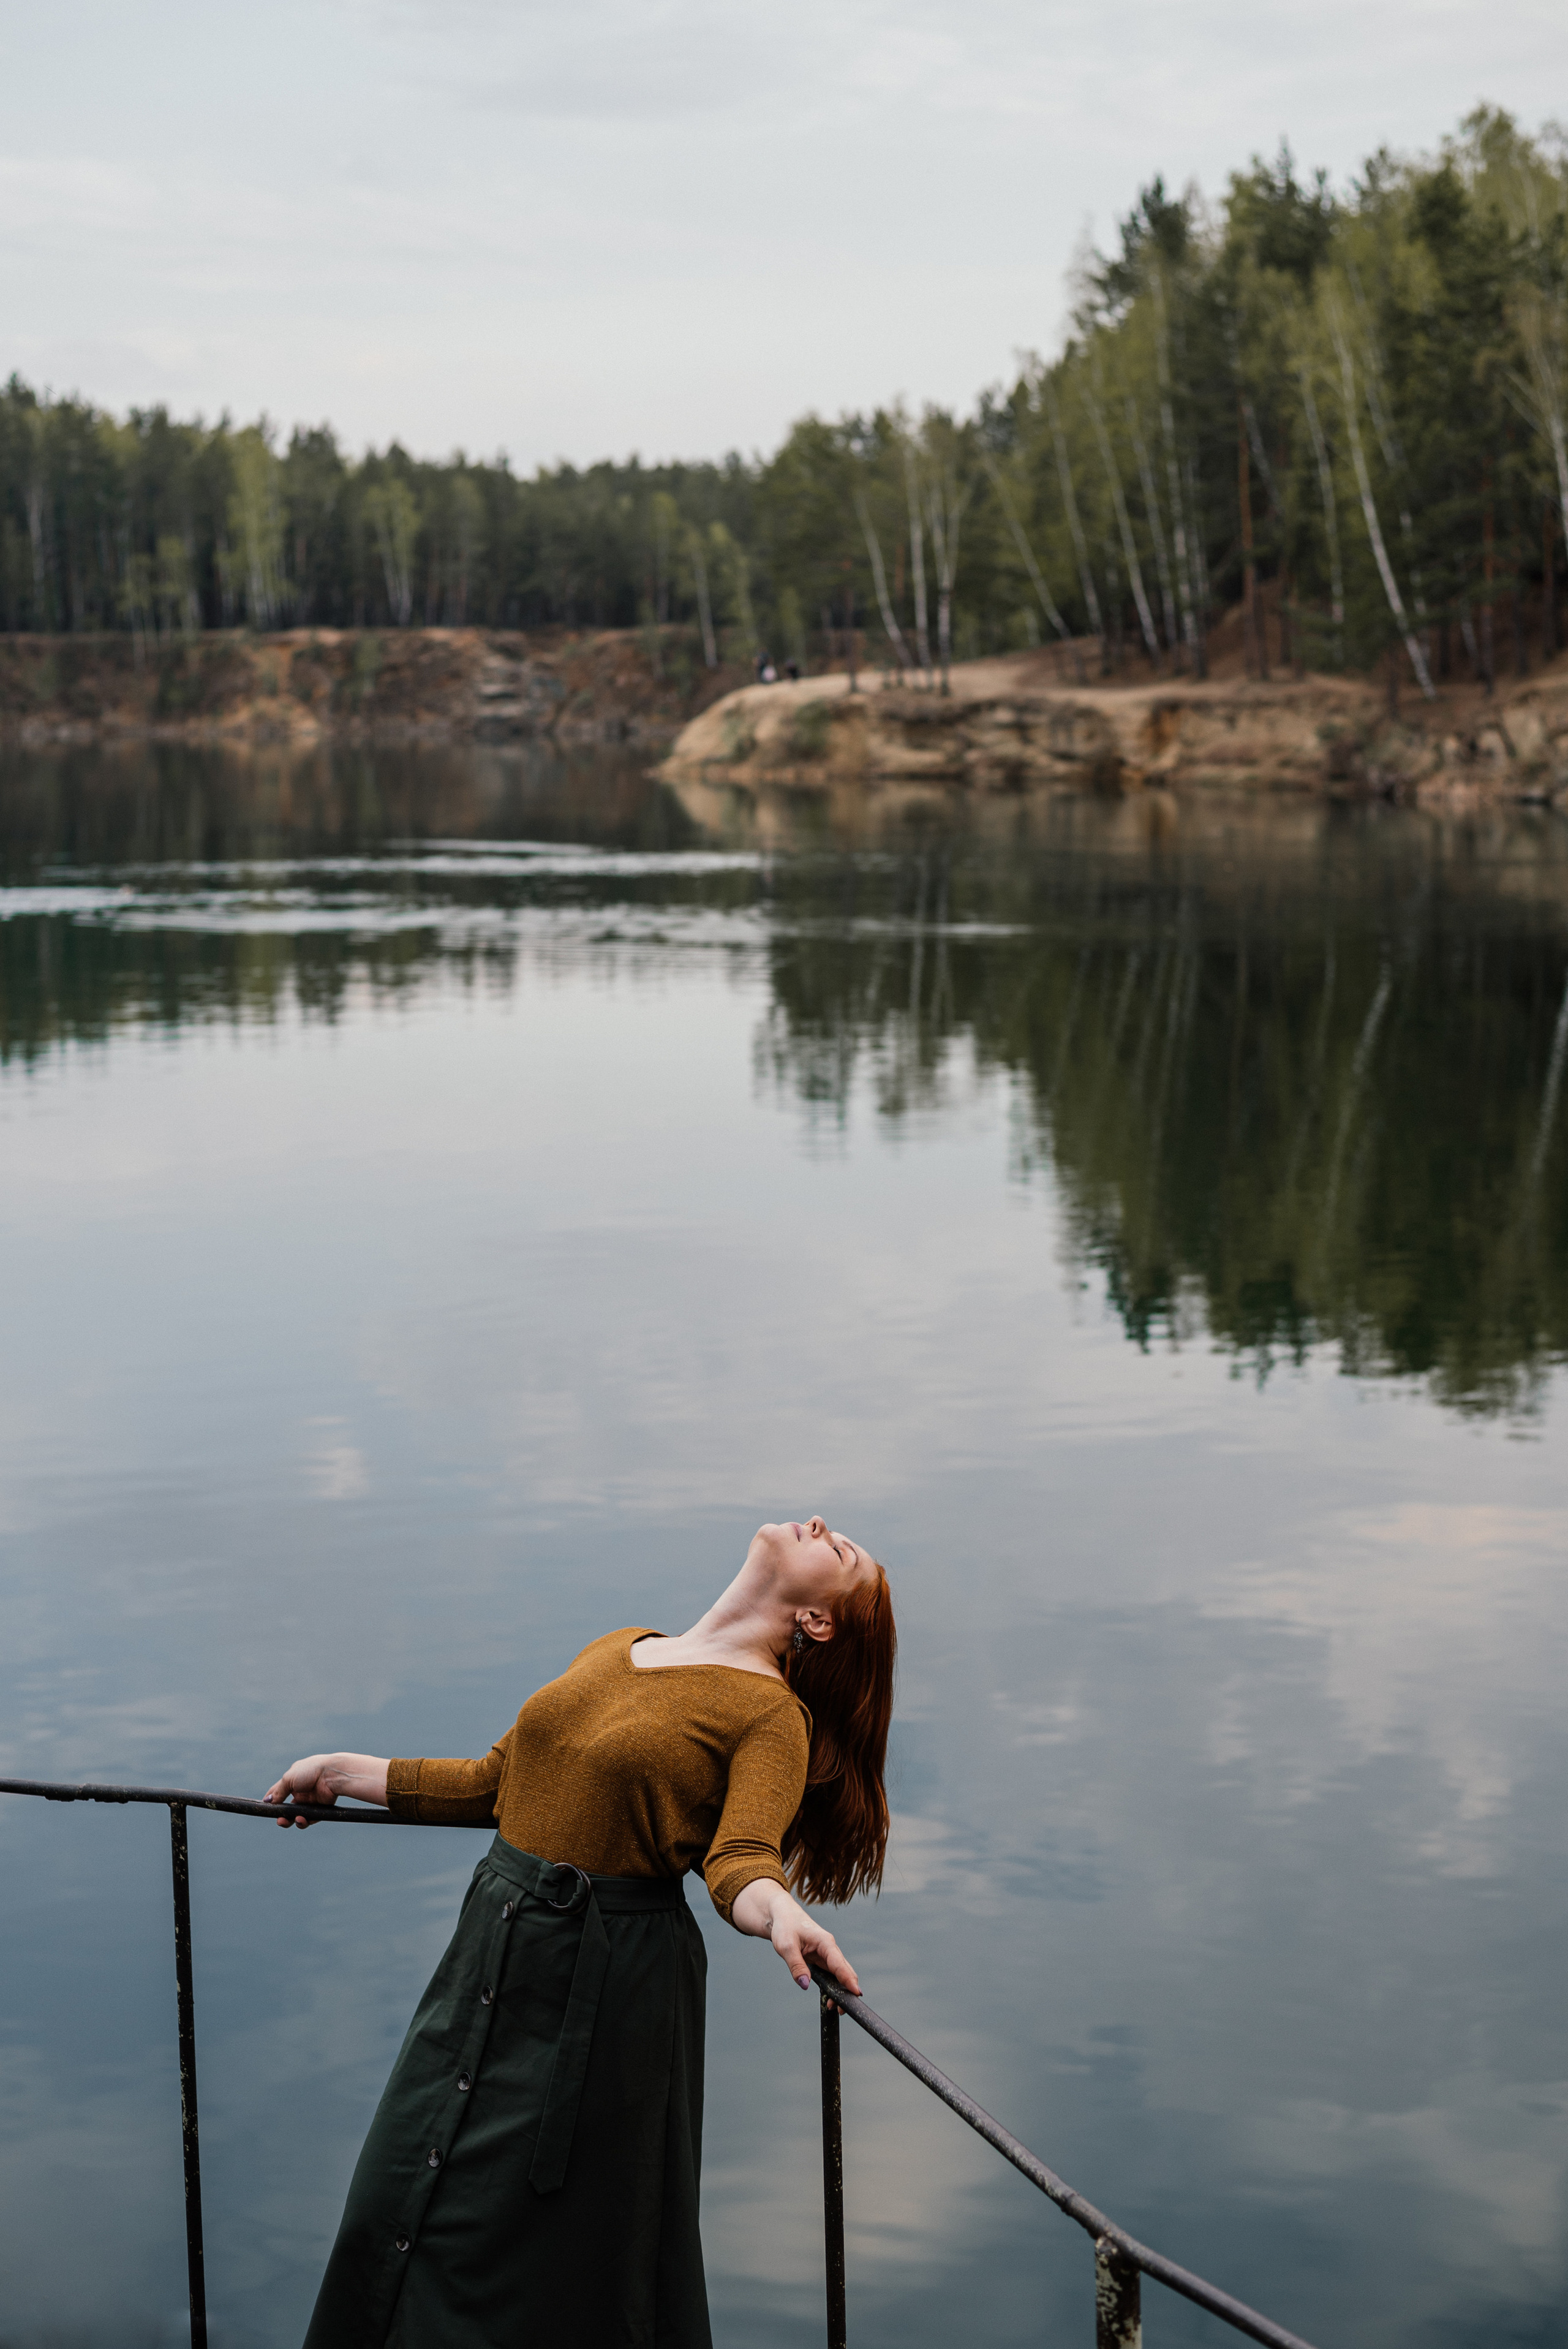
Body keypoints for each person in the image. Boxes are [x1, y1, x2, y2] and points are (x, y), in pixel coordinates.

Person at [265, 1516, 895, 2349]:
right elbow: (498, 1781)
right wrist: (347, 1771)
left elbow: (741, 1856)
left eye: (840, 1549)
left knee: (554, 2263)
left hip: (609, 1994)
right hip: (489, 1957)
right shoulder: (622, 1644)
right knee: (390, 2205)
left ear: (818, 1621)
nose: (820, 1523)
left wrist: (778, 1909)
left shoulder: (769, 1715)